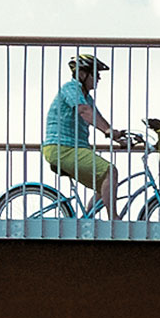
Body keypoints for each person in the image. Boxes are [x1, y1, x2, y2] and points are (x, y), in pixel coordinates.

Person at [43, 55, 133, 215]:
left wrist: (119, 138)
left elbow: (97, 118)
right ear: (83, 74)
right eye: (95, 74)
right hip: (62, 148)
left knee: (105, 184)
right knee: (109, 172)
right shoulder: (71, 89)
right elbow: (84, 112)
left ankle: (87, 218)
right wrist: (108, 131)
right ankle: (114, 220)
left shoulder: (86, 97)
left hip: (71, 148)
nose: (98, 78)